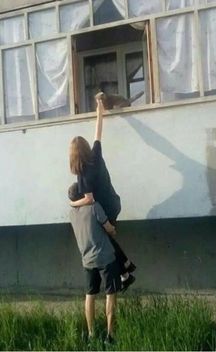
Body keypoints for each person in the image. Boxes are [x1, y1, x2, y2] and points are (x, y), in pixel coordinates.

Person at [69, 98, 136, 289]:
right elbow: (98, 132)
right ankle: (126, 269)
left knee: (105, 243)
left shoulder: (83, 174)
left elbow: (88, 199)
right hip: (114, 202)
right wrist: (100, 108)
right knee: (106, 240)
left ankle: (124, 273)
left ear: (73, 156)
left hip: (104, 209)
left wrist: (73, 204)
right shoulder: (96, 154)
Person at [68, 183, 121, 345]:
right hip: (105, 257)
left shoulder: (71, 213)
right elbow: (108, 228)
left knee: (90, 295)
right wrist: (113, 230)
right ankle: (110, 336)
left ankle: (91, 334)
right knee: (110, 294)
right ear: (83, 195)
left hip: (87, 260)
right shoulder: (94, 207)